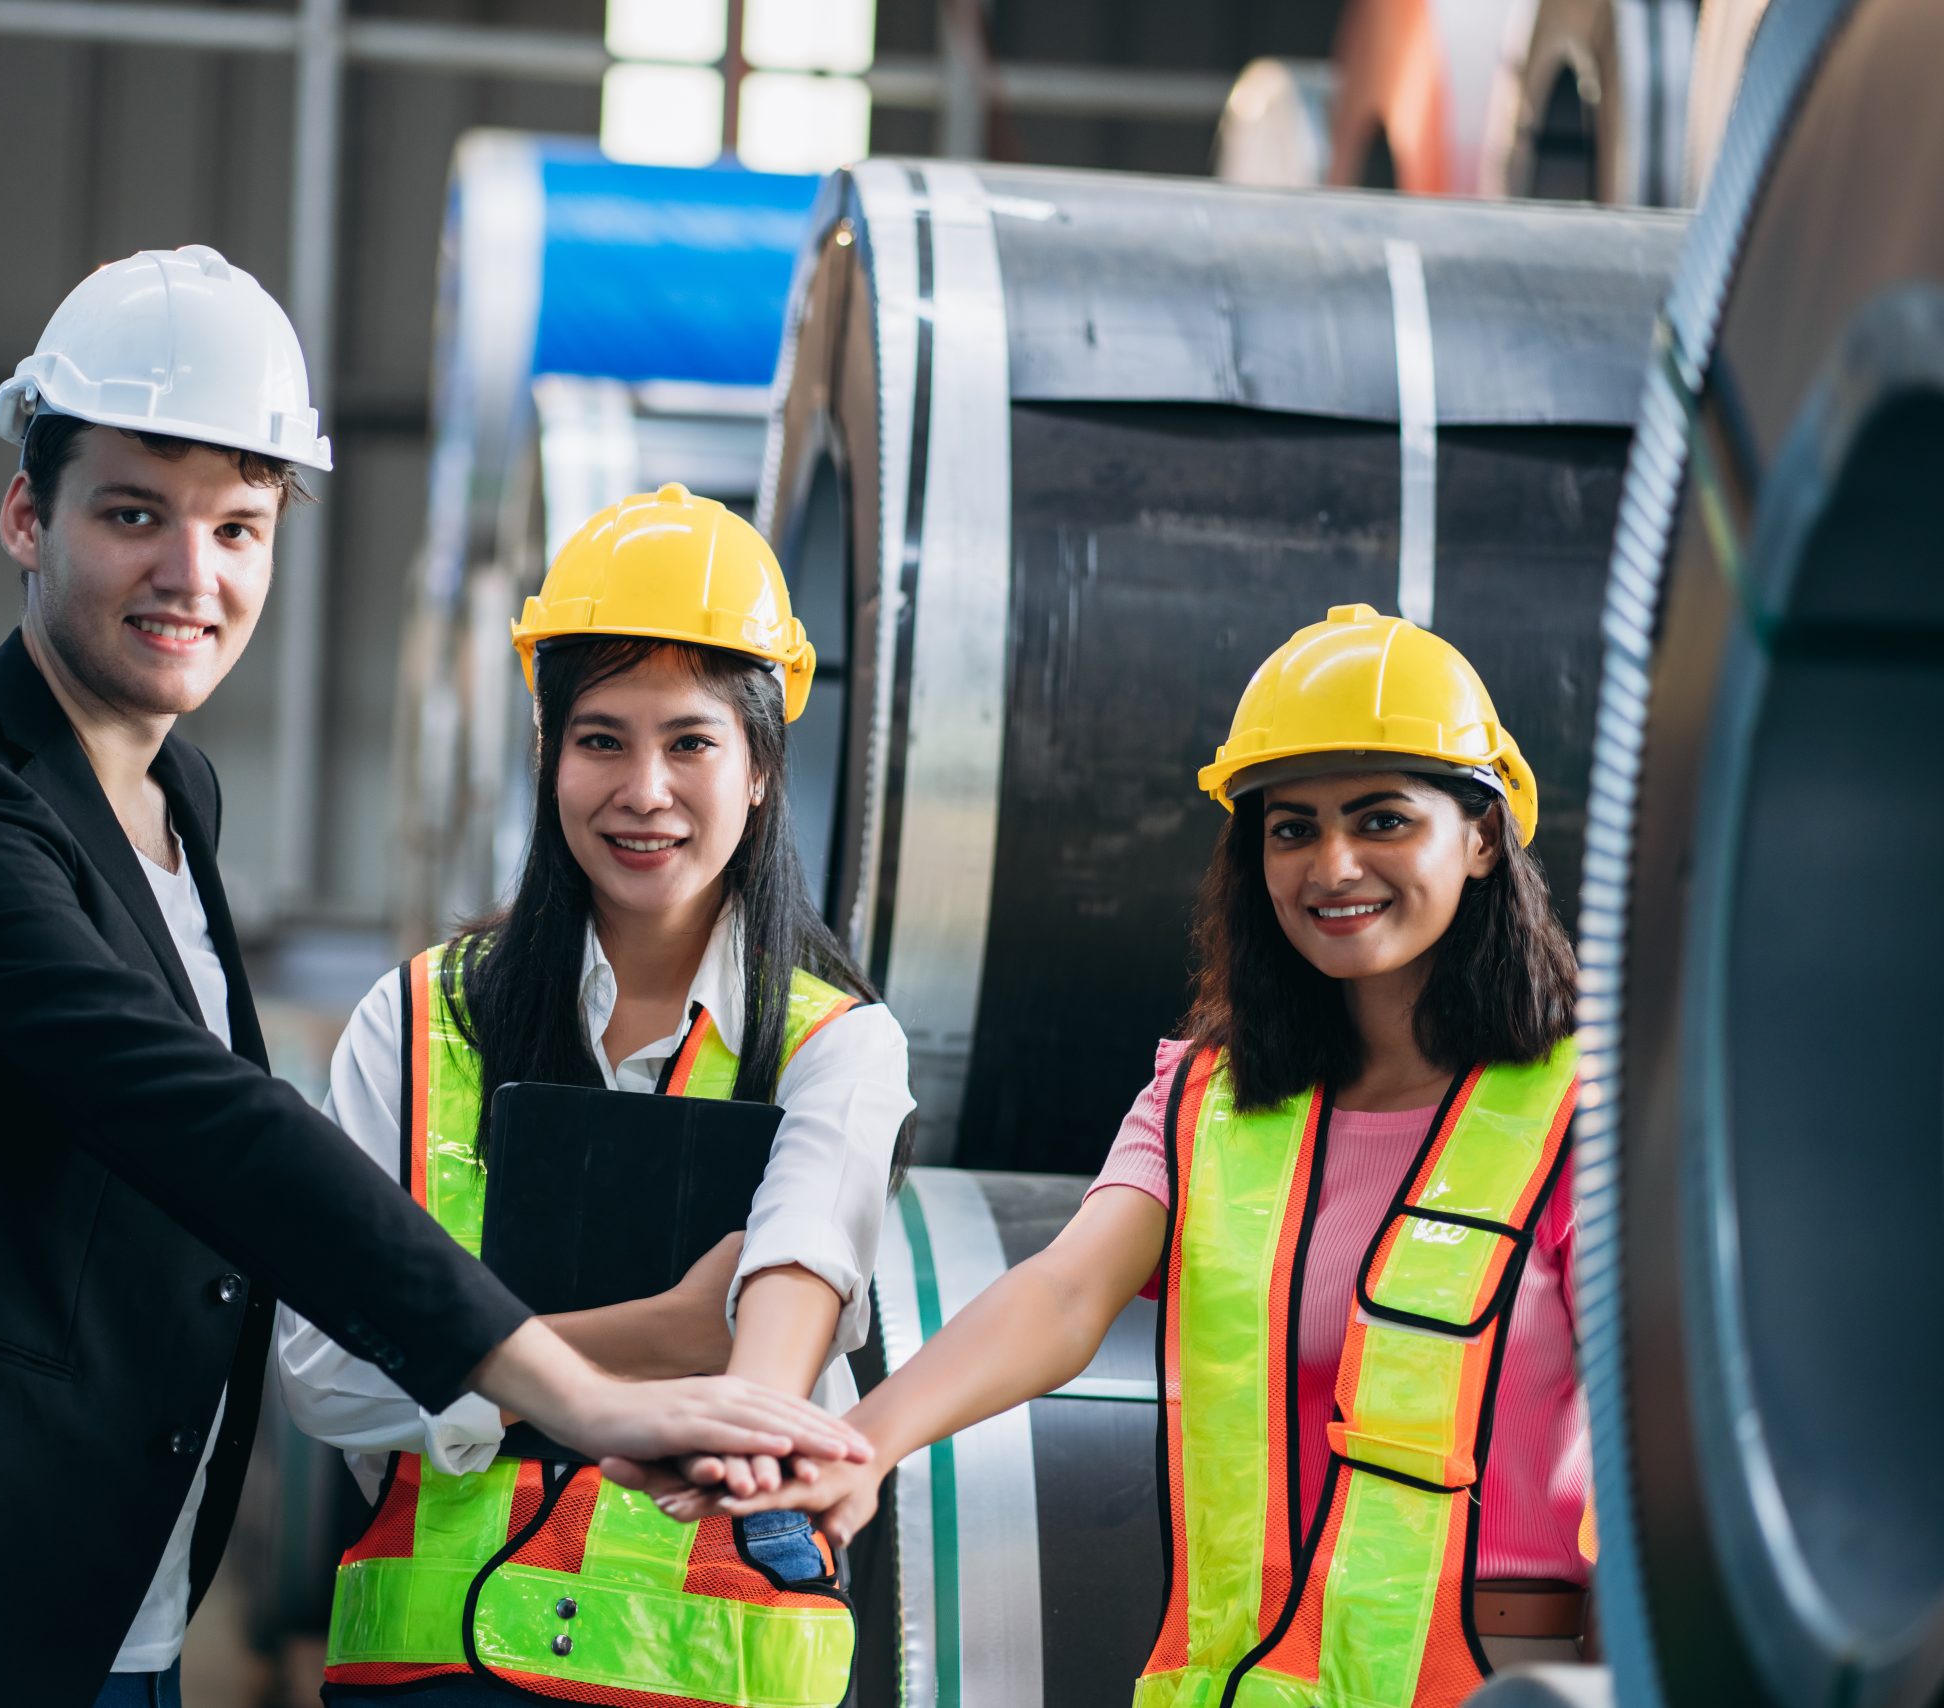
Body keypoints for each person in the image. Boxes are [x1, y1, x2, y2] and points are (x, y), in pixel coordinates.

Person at [0, 251, 863, 1708]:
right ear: (26, 513)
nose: (191, 575)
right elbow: (199, 1119)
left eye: (238, 528)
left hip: (108, 1608)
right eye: (135, 514)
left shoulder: (173, 795)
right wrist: (579, 1391)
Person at [631, 604, 1591, 1705]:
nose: (1332, 863)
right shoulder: (1205, 1099)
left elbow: (1659, 1463)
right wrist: (863, 1441)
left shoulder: (1585, 1111)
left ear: (1479, 836)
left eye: (1380, 819)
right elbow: (1061, 1293)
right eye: (1291, 827)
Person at [278, 485, 917, 1708]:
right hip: (435, 1670)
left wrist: (476, 1364)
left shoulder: (839, 1047)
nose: (643, 790)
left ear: (764, 767)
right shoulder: (412, 1024)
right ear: (546, 755)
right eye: (600, 738)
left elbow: (776, 1336)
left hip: (709, 1678)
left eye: (690, 742)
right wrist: (659, 1334)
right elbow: (322, 1378)